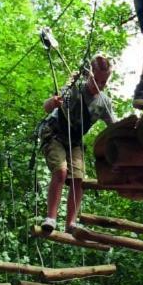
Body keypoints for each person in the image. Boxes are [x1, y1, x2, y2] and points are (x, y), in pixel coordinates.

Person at [39, 55, 115, 236]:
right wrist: (53, 102)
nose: (99, 84)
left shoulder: (104, 102)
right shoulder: (74, 89)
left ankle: (71, 223)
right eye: (96, 80)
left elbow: (114, 126)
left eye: (103, 81)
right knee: (61, 171)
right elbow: (48, 106)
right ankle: (51, 218)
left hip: (75, 141)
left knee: (78, 179)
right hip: (55, 134)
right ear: (89, 75)